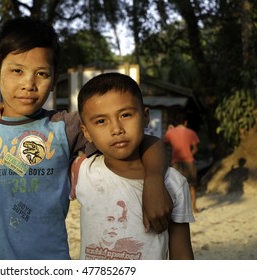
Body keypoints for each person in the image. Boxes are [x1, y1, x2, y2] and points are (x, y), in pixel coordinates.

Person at [0, 17, 172, 260]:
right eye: (17, 71)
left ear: (53, 79)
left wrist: (154, 181)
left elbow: (145, 140)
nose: (28, 84)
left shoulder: (65, 126)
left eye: (41, 73)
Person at [70, 72, 194, 259]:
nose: (116, 129)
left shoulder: (174, 183)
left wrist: (155, 181)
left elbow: (182, 257)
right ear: (86, 132)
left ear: (145, 117)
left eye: (125, 115)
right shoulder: (82, 172)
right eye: (101, 121)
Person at [163, 113, 200, 213]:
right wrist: (189, 153)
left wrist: (168, 131)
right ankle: (194, 208)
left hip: (176, 162)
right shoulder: (191, 132)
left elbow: (163, 144)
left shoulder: (170, 133)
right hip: (189, 162)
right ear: (185, 122)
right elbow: (195, 149)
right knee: (192, 185)